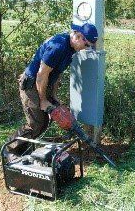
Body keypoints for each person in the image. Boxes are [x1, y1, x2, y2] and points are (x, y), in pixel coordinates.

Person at [5, 23, 98, 157]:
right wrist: (43, 100)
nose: (86, 48)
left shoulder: (71, 49)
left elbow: (56, 73)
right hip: (32, 85)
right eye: (87, 45)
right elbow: (41, 74)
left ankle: (23, 150)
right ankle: (9, 150)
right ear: (79, 36)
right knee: (36, 123)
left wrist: (53, 96)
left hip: (43, 84)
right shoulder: (58, 46)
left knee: (44, 122)